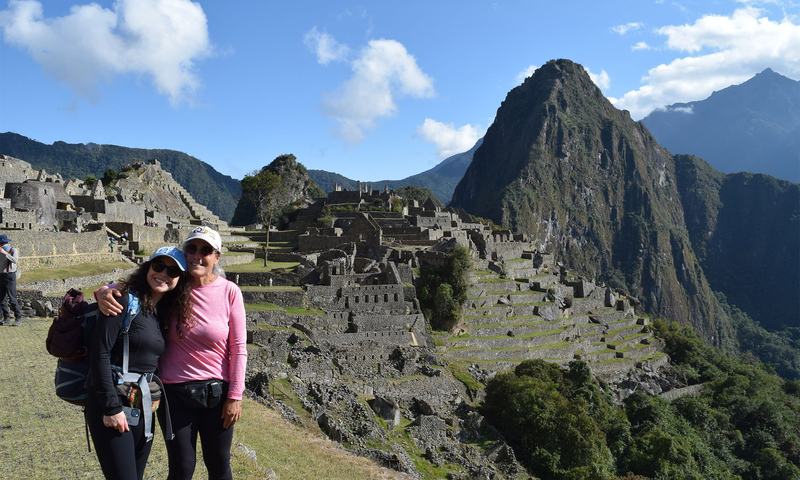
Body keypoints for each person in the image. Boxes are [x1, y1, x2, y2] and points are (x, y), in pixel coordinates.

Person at [97, 226, 247, 480]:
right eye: (191, 248)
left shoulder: (229, 291)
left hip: (217, 394)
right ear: (184, 252)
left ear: (217, 257)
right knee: (182, 467)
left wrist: (235, 395)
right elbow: (137, 288)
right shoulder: (174, 286)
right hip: (174, 395)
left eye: (206, 250)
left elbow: (239, 348)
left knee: (219, 465)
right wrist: (104, 291)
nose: (197, 255)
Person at [86, 246, 192, 480]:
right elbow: (100, 353)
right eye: (158, 266)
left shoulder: (161, 311)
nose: (164, 274)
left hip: (143, 407)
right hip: (114, 402)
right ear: (148, 267)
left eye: (173, 271)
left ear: (179, 279)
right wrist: (111, 408)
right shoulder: (122, 299)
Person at [0, 234, 22, 326]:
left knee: (12, 298)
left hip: (10, 276)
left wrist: (5, 253)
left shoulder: (13, 250)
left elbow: (15, 260)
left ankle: (18, 318)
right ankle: (6, 318)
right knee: (1, 299)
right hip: (1, 276)